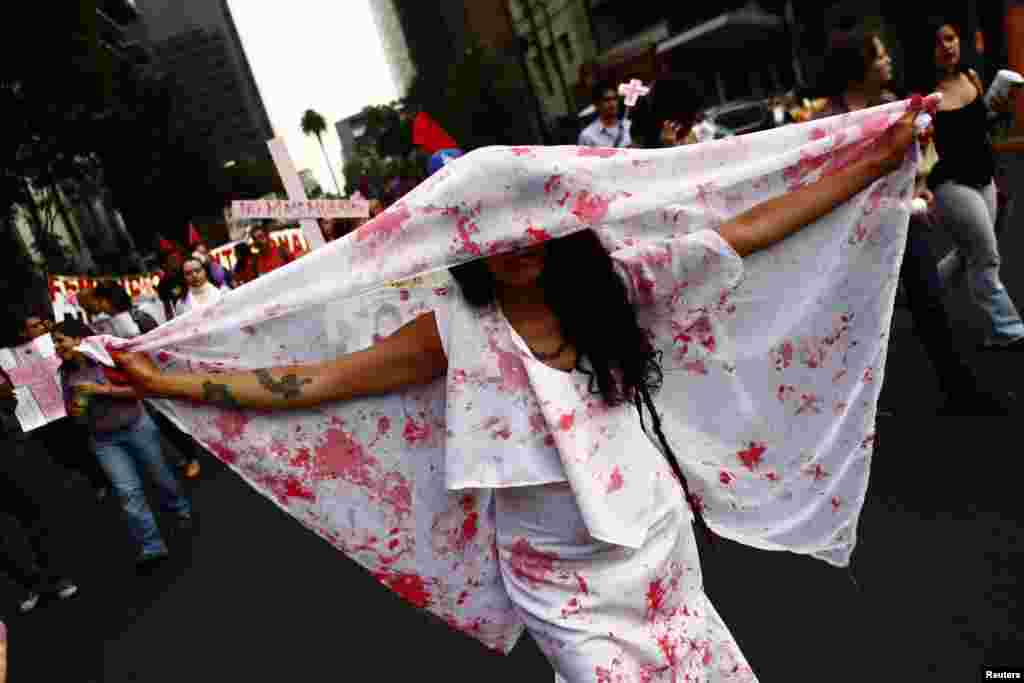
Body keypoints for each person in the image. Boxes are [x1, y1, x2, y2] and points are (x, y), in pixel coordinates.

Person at [110, 107, 923, 680]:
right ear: (466, 244)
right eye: (488, 232)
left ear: (553, 221)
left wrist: (872, 161)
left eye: (524, 224)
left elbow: (749, 229)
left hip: (656, 552)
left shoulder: (616, 286)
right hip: (560, 584)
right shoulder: (453, 330)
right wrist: (165, 380)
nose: (512, 245)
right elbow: (315, 380)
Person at [812, 25, 1013, 416]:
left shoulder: (895, 105)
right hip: (858, 240)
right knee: (862, 323)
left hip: (905, 223)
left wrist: (919, 185)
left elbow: (918, 159)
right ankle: (856, 409)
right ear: (860, 67)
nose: (888, 60)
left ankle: (961, 392)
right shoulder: (829, 121)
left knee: (931, 307)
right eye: (879, 55)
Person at [53, 319, 193, 573]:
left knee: (160, 474)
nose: (56, 346)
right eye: (55, 342)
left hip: (136, 426)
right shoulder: (66, 373)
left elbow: (139, 390)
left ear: (78, 339)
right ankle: (152, 545)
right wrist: (76, 408)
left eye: (60, 340)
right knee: (128, 491)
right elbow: (71, 412)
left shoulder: (107, 359)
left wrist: (101, 390)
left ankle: (180, 507)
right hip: (103, 440)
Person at [923, 19, 1024, 351]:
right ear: (927, 51)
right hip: (950, 184)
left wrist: (1000, 109)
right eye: (938, 42)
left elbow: (982, 127)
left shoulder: (972, 78)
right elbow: (920, 149)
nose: (947, 46)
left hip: (983, 175)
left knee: (971, 251)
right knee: (986, 255)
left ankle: (927, 287)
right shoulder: (925, 96)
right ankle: (1007, 328)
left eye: (951, 38)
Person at [80, 284, 203, 479]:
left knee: (167, 418)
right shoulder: (118, 319)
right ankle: (188, 453)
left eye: (98, 300)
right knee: (164, 418)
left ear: (108, 300)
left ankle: (192, 456)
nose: (96, 305)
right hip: (144, 378)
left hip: (154, 376)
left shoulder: (132, 320)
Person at [0, 370, 79, 615]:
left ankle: (55, 578)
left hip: (7, 455)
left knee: (32, 519)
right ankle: (30, 584)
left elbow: (10, 399)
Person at [14, 312, 111, 501]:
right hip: (49, 413)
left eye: (41, 324)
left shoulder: (61, 344)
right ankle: (96, 477)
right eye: (34, 326)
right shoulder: (16, 357)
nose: (41, 327)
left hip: (74, 407)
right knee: (65, 453)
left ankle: (103, 479)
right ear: (23, 333)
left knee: (85, 445)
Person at [578, 80, 632, 149]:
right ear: (596, 104)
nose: (612, 104)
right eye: (607, 100)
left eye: (614, 99)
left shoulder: (628, 126)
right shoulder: (587, 136)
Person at [156, 246, 188, 322]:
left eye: (177, 258)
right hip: (183, 314)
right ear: (165, 265)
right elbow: (168, 310)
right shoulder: (163, 285)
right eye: (173, 260)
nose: (177, 261)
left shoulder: (187, 271)